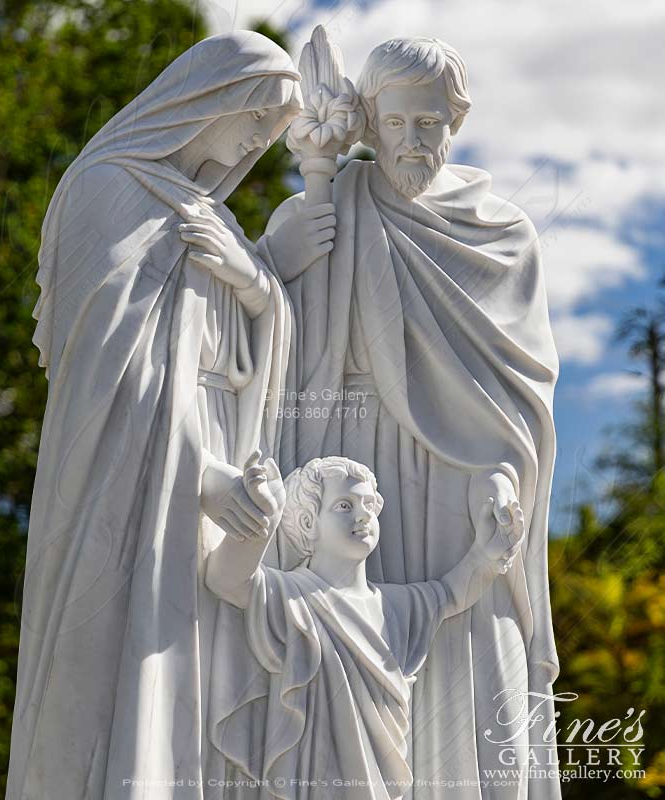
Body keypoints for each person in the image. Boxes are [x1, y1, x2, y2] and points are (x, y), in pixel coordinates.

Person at [6, 31, 301, 800]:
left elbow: (243, 360)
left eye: (270, 133)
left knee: (186, 686)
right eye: (253, 117)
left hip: (203, 469)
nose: (255, 141)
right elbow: (106, 373)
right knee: (112, 673)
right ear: (204, 97)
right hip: (123, 476)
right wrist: (203, 477)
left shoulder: (211, 218)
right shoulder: (107, 188)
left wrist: (255, 286)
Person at [262, 37, 560, 799]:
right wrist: (281, 253)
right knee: (352, 678)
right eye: (395, 125)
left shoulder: (503, 235)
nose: (413, 143)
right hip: (350, 470)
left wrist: (501, 473)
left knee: (466, 659)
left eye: (429, 123)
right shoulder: (334, 202)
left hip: (461, 487)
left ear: (455, 122)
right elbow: (271, 338)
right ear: (369, 122)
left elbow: (519, 395)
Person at [206, 456, 524, 800]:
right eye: (345, 505)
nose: (363, 515)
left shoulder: (396, 606)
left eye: (369, 504)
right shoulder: (292, 595)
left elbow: (450, 594)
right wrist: (258, 525)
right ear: (308, 521)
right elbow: (225, 580)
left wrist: (487, 556)